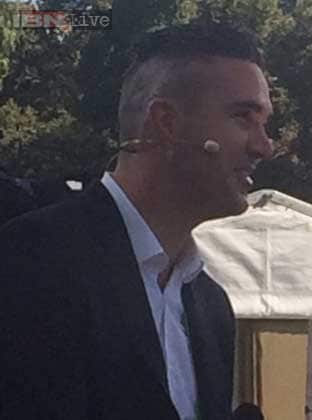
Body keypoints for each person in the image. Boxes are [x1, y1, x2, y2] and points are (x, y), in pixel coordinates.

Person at [0, 23, 273, 420]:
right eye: (243, 117)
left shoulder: (211, 307)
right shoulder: (31, 261)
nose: (264, 146)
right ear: (166, 123)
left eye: (265, 123)